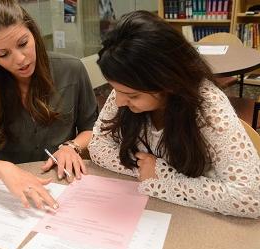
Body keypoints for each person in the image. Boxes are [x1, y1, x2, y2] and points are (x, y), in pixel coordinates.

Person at [88, 10, 260, 218]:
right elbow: (97, 146)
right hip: (150, 208)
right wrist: (144, 170)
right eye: (115, 90)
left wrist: (164, 178)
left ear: (167, 83)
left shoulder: (208, 106)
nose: (119, 101)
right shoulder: (125, 88)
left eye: (132, 95)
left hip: (196, 220)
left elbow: (250, 198)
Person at [0, 0, 98, 210]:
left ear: (33, 32)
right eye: (3, 54)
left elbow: (93, 129)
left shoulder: (71, 69)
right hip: (15, 192)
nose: (20, 59)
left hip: (64, 181)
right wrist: (3, 169)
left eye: (23, 43)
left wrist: (72, 146)